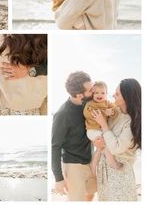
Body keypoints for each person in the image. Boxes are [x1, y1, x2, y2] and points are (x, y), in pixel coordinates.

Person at [92, 78, 141, 201]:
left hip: (119, 173)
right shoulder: (115, 111)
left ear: (127, 97)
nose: (113, 95)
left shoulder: (132, 121)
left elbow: (115, 148)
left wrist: (103, 124)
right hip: (104, 170)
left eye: (117, 93)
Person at [52, 71, 96, 201]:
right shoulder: (62, 114)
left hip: (90, 160)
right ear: (79, 95)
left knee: (90, 195)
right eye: (90, 90)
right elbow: (55, 146)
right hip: (73, 166)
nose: (94, 91)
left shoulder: (88, 105)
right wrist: (58, 178)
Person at [83, 81, 122, 176]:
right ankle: (112, 163)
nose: (99, 95)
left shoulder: (107, 103)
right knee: (105, 144)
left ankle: (93, 165)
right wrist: (104, 112)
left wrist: (112, 112)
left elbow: (115, 110)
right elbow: (87, 113)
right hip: (92, 131)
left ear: (106, 94)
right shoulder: (90, 104)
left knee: (100, 149)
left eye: (102, 93)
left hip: (101, 130)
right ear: (93, 94)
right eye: (96, 93)